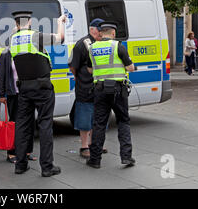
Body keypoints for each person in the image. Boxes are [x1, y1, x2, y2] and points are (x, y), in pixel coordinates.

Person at [10, 10, 66, 177]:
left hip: (24, 89)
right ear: (31, 22)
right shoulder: (36, 36)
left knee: (22, 126)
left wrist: (17, 29)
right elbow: (60, 38)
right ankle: (47, 167)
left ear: (16, 24)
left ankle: (20, 164)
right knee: (45, 125)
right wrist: (59, 22)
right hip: (42, 88)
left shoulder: (12, 39)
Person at [86, 21, 135, 169]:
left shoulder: (92, 48)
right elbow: (130, 67)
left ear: (101, 33)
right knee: (123, 121)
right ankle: (126, 157)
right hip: (118, 90)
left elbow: (89, 70)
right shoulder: (118, 46)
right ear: (113, 33)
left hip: (100, 90)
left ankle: (95, 160)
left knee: (99, 124)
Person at [68, 18, 107, 159]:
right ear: (92, 29)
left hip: (100, 86)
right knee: (85, 117)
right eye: (99, 29)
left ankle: (95, 144)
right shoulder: (82, 44)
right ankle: (84, 146)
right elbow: (73, 65)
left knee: (99, 116)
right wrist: (80, 78)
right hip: (85, 87)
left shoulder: (103, 43)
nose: (101, 32)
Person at [0, 46, 37, 163]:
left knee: (30, 122)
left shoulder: (28, 50)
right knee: (14, 123)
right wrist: (2, 94)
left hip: (28, 92)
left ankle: (27, 151)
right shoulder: (6, 54)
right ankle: (12, 153)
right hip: (13, 94)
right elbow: (1, 74)